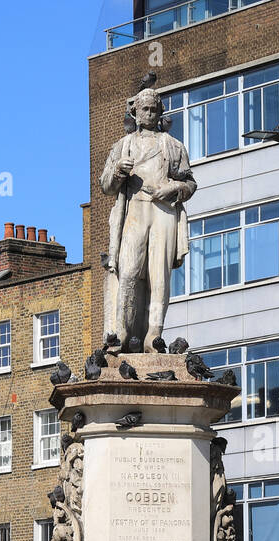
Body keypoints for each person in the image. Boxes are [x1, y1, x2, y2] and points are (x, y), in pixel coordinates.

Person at [98, 87, 197, 351]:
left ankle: (154, 335)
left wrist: (173, 188)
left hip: (163, 211)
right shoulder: (122, 146)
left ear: (160, 111)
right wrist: (118, 172)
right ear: (135, 112)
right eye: (145, 109)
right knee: (128, 271)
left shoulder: (174, 146)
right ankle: (121, 332)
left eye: (154, 109)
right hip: (135, 211)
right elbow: (105, 186)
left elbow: (190, 183)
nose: (150, 113)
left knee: (159, 277)